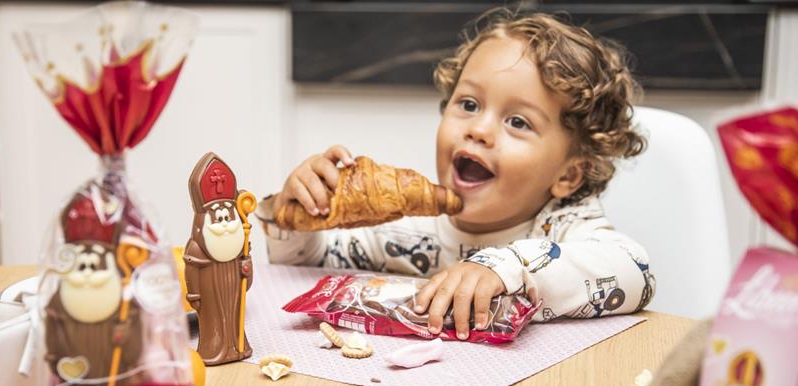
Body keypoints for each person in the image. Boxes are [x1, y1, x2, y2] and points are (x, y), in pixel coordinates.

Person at [255, 9, 655, 339]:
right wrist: (296, 214)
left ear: (569, 175)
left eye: (517, 121)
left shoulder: (564, 228)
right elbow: (309, 262)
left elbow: (635, 270)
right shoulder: (409, 232)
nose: (478, 129)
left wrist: (503, 267)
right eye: (468, 104)